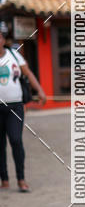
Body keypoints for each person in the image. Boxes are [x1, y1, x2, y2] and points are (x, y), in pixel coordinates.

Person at [0, 30, 46, 192]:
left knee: (15, 139)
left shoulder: (14, 55)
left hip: (15, 106)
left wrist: (39, 90)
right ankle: (4, 179)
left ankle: (21, 179)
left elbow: (28, 73)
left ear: (3, 39)